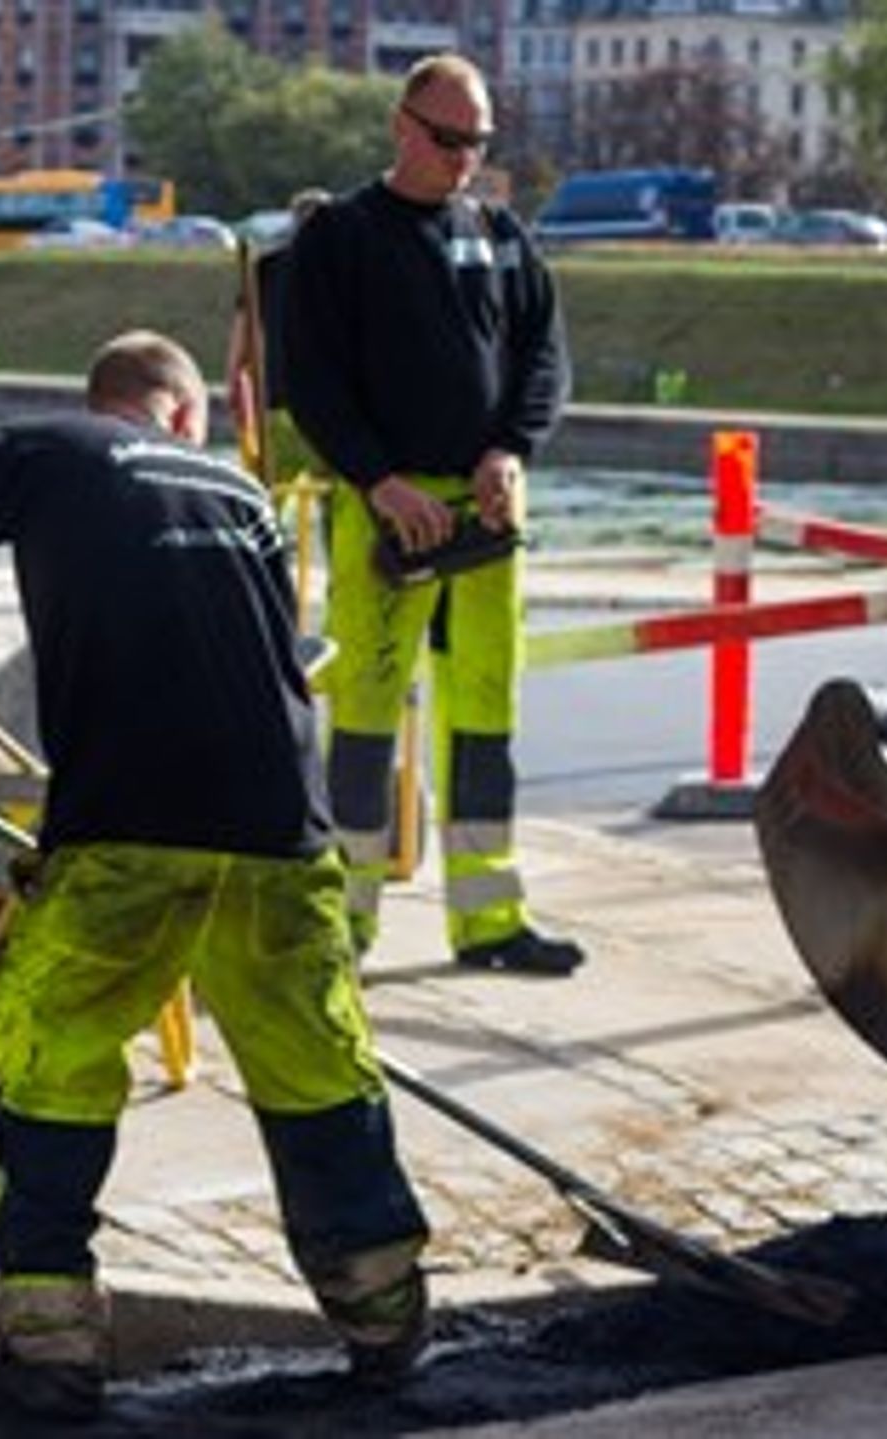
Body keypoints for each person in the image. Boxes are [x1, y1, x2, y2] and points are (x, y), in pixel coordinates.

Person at [0, 331, 432, 1422]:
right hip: (281, 833)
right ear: (183, 413)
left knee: (50, 1060)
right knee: (317, 1067)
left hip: (128, 826)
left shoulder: (55, 447)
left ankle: (53, 1348)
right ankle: (387, 1324)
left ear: (106, 400)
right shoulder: (243, 495)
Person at [282, 52, 584, 978]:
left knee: (485, 711)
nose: (464, 158)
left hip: (486, 512)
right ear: (401, 127)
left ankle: (489, 919)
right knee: (367, 717)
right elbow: (310, 380)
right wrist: (378, 480)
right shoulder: (341, 237)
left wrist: (511, 451)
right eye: (449, 139)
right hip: (387, 513)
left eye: (478, 141)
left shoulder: (500, 234)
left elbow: (545, 356)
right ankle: (344, 923)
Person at [223, 187, 331, 489]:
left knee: (275, 488)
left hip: (280, 398)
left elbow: (244, 329)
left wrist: (234, 378)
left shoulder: (267, 267)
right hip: (325, 403)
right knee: (324, 492)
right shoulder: (344, 267)